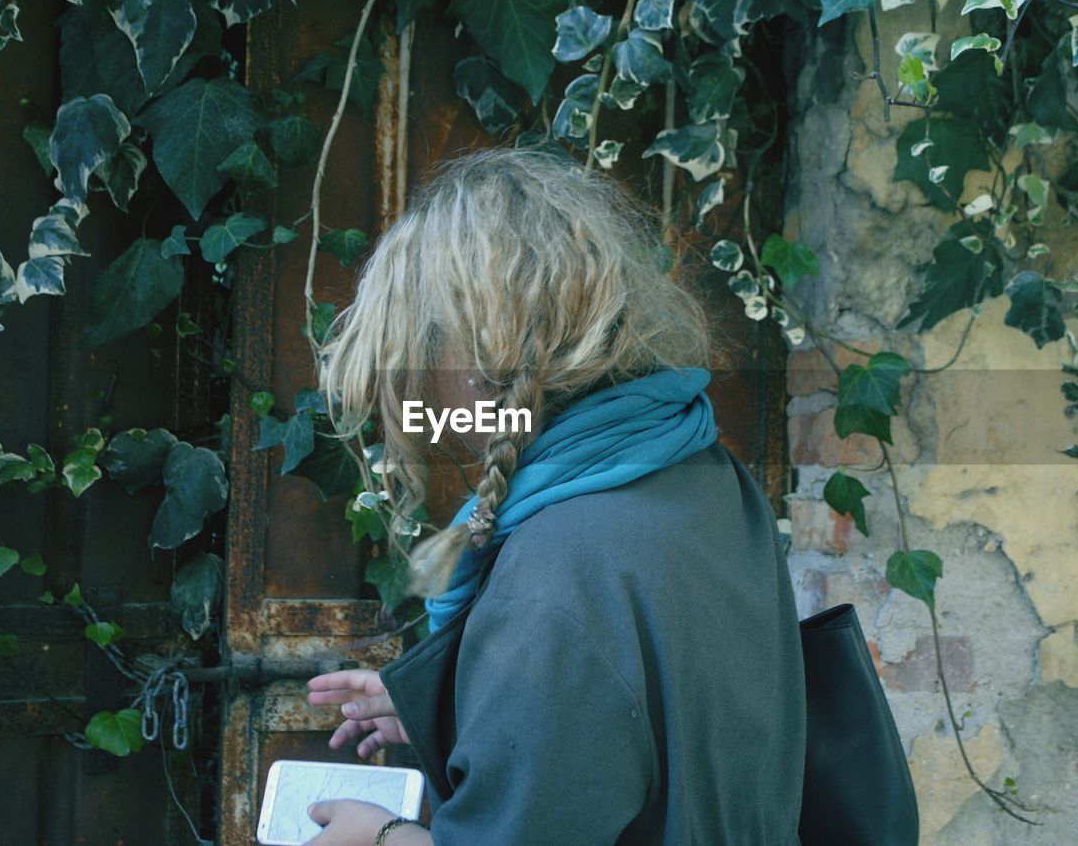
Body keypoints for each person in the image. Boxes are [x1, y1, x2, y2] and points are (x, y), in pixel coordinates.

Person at [302, 147, 806, 845]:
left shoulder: (554, 577)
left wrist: (381, 837)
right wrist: (471, 700)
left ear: (476, 358)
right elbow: (651, 713)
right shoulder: (708, 473)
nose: (418, 399)